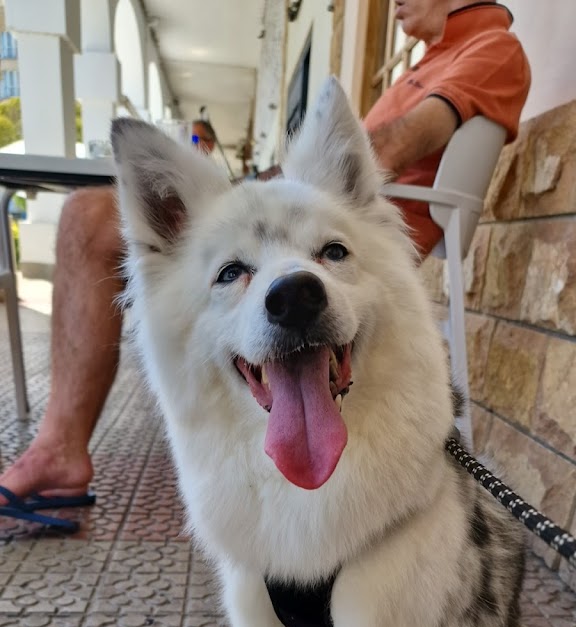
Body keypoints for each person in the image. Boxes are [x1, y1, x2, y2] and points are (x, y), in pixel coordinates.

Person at [0, 2, 529, 513]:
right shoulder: (424, 62)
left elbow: (388, 149)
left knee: (89, 216)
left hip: (361, 228)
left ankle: (60, 444)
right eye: (234, 272)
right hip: (314, 217)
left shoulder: (490, 48)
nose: (394, 5)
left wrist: (255, 197)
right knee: (89, 213)